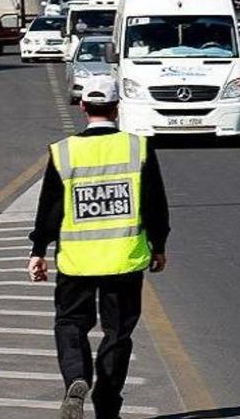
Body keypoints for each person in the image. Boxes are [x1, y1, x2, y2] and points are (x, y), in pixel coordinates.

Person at [27, 76, 170, 418]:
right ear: (117, 107)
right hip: (124, 260)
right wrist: (159, 245)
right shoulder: (138, 147)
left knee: (70, 323)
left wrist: (38, 251)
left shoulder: (64, 151)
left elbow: (50, 208)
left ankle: (77, 377)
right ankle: (106, 402)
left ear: (82, 107)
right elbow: (155, 204)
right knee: (117, 333)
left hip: (76, 261)